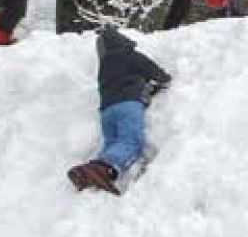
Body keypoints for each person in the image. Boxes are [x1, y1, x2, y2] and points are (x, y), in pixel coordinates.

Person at [67, 27, 172, 195]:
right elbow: (157, 73)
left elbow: (120, 83)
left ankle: (94, 174)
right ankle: (99, 168)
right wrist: (163, 80)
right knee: (131, 142)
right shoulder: (128, 55)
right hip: (127, 105)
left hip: (107, 111)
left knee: (113, 144)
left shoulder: (104, 67)